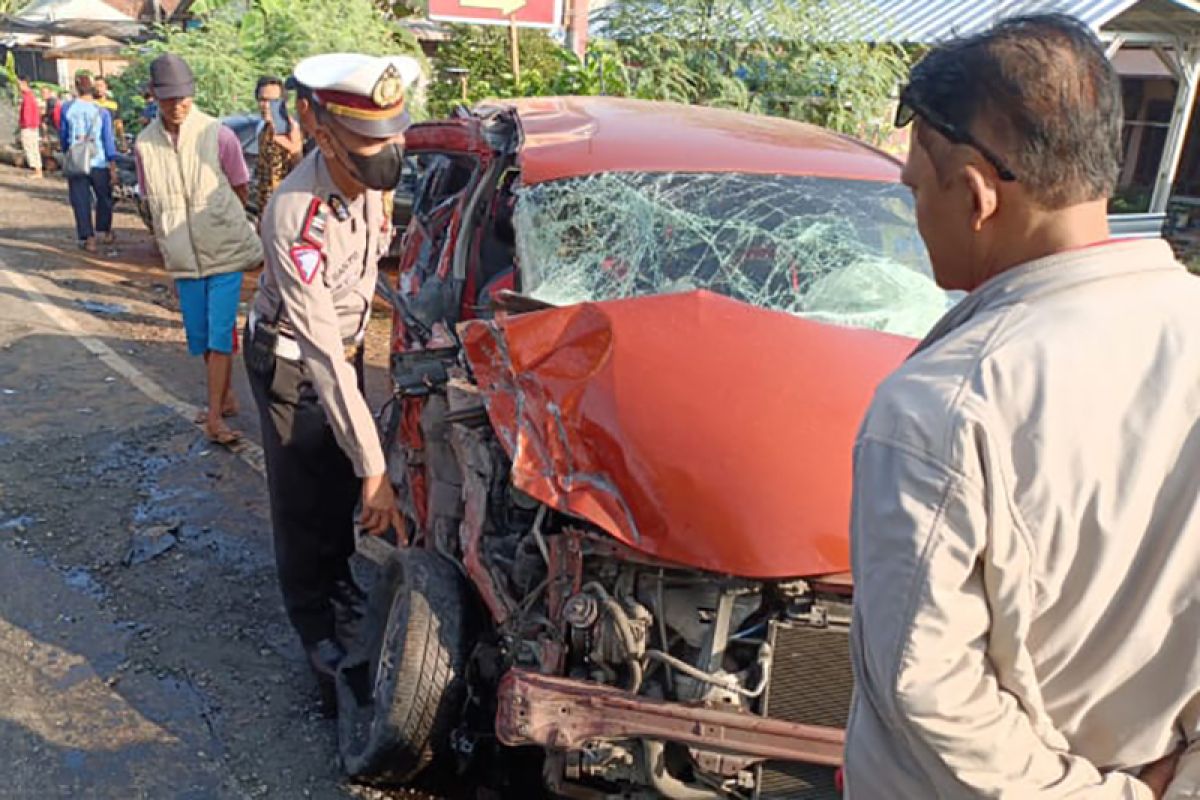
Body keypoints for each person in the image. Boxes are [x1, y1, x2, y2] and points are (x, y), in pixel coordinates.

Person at [844, 13, 1200, 799]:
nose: (914, 214)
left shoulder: (943, 407)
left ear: (974, 196)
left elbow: (926, 690)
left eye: (914, 188)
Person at [244, 52, 419, 705]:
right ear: (324, 134)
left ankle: (340, 576)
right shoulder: (295, 217)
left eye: (393, 134)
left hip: (342, 354)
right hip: (291, 361)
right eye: (372, 141)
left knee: (342, 480)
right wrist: (379, 470)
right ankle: (314, 628)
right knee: (303, 499)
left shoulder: (374, 179)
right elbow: (317, 349)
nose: (389, 151)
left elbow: (375, 273)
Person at [135, 54, 262, 446]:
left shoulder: (217, 134)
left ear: (192, 95)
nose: (177, 107)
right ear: (154, 96)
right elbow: (148, 198)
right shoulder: (144, 145)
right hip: (182, 256)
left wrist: (220, 220)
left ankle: (213, 417)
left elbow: (240, 187)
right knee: (201, 334)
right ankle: (223, 397)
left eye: (184, 99)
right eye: (169, 99)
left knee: (220, 332)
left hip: (222, 248)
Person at [59, 74, 117, 252]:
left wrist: (68, 151)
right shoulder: (102, 112)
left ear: (76, 88)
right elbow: (108, 141)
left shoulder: (67, 108)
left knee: (80, 200)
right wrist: (112, 165)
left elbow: (63, 136)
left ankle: (88, 238)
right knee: (104, 197)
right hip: (98, 161)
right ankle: (104, 231)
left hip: (77, 161)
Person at [253, 75, 303, 214]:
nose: (267, 105)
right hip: (266, 208)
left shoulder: (292, 129)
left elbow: (302, 172)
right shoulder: (263, 130)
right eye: (262, 100)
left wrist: (294, 150)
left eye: (273, 101)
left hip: (287, 207)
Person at [17, 78, 42, 179]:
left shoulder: (27, 97)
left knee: (30, 147)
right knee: (33, 148)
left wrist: (25, 124)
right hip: (33, 125)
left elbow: (27, 113)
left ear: (24, 84)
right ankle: (37, 169)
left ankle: (37, 170)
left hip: (28, 126)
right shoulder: (31, 96)